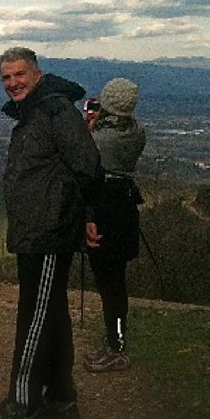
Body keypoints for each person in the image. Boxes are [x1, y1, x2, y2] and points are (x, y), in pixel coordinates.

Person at [0, 47, 102, 419]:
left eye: (19, 75)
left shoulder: (54, 111)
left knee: (33, 316)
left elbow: (89, 165)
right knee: (53, 313)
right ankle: (61, 397)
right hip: (38, 228)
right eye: (6, 77)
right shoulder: (37, 113)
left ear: (37, 74)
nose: (12, 83)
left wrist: (88, 216)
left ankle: (22, 403)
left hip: (48, 230)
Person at [84, 78, 146, 372]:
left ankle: (116, 346)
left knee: (108, 285)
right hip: (125, 209)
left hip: (102, 210)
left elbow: (82, 160)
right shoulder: (138, 133)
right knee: (116, 284)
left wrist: (92, 123)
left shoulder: (98, 139)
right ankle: (115, 341)